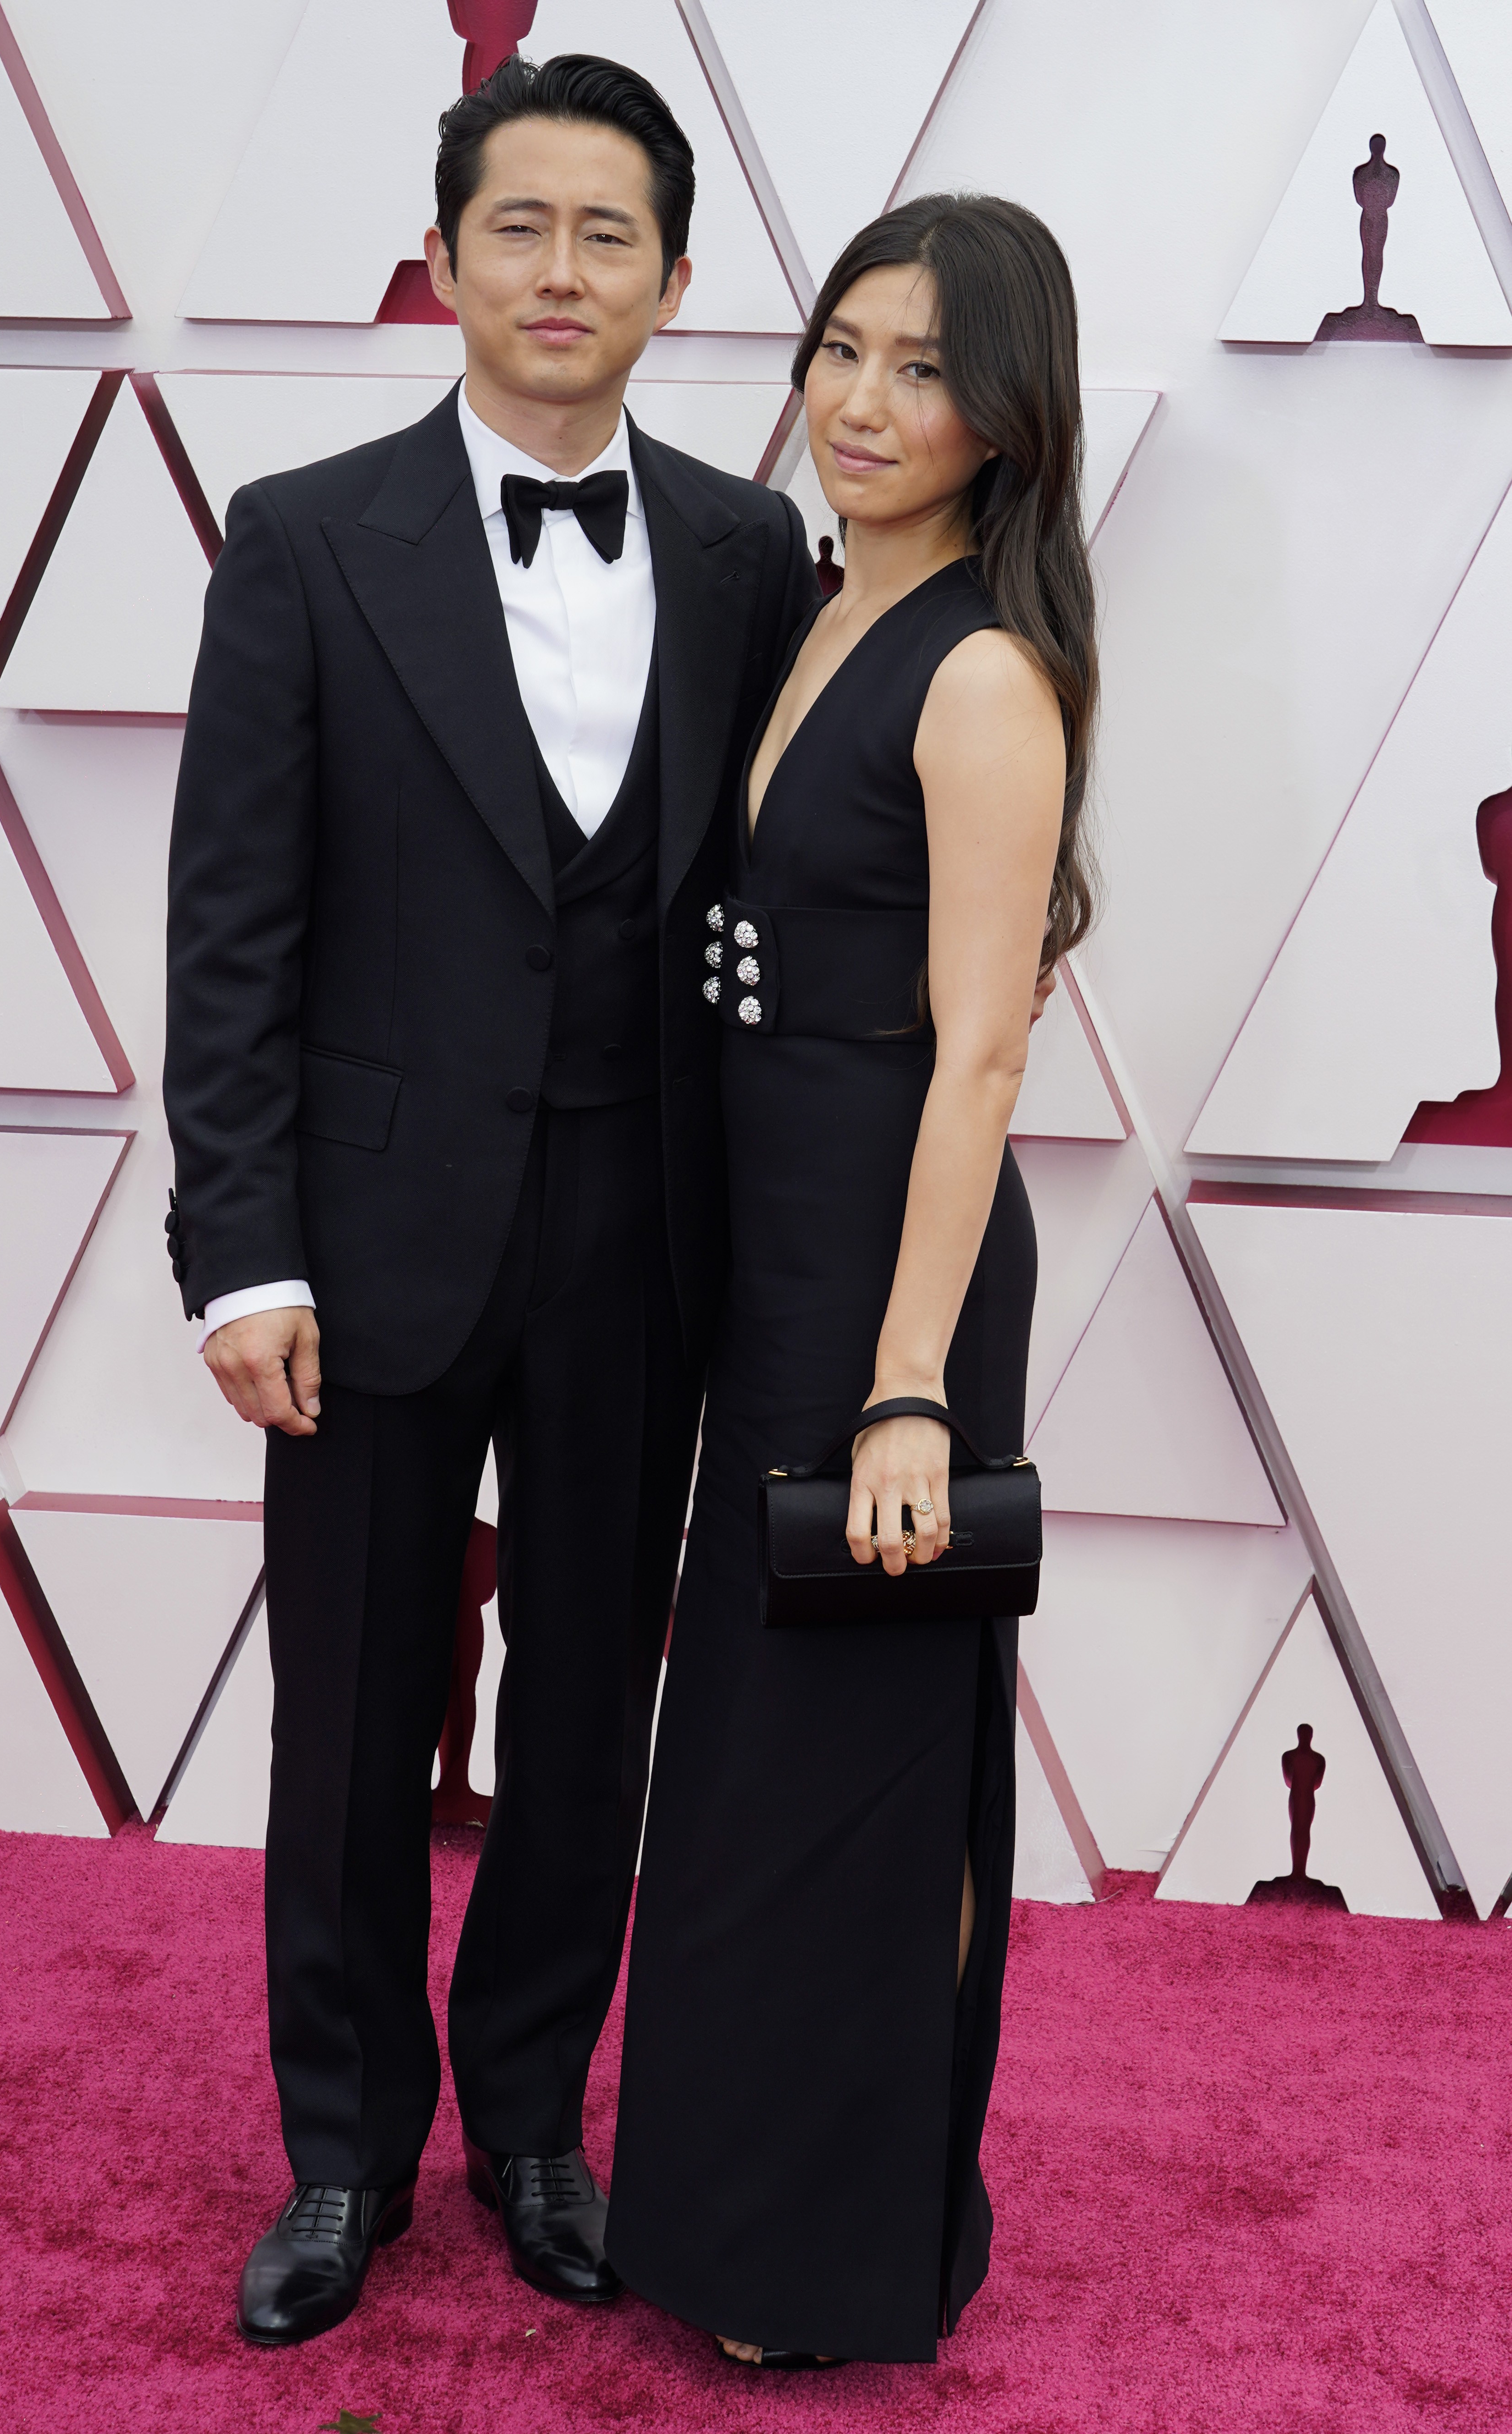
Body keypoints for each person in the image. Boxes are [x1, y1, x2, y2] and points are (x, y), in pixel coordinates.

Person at [163, 53, 816, 2347]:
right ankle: (344, 2149)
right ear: (447, 257)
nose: (559, 273)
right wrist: (237, 1242)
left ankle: (534, 2112)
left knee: (583, 1724)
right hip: (359, 1239)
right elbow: (230, 924)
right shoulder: (303, 535)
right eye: (517, 228)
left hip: (645, 1237)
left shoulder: (752, 552)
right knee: (345, 1713)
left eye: (606, 235)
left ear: (674, 280)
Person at [606, 192, 1098, 2368]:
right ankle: (728, 2214)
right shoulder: (803, 605)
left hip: (884, 1277)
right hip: (762, 1239)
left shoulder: (982, 668)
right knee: (742, 1753)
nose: (868, 404)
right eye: (844, 350)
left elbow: (982, 1048)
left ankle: (830, 2256)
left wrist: (906, 1385)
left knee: (850, 1763)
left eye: (926, 371)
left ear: (1007, 421)